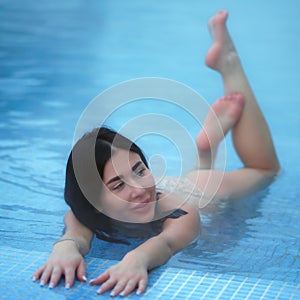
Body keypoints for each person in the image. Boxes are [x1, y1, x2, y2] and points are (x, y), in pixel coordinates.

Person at [32, 10, 280, 297]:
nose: (139, 188)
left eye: (139, 170)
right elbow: (74, 235)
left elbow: (167, 243)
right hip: (183, 184)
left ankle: (230, 64)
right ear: (93, 201)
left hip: (197, 192)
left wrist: (136, 259)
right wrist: (64, 249)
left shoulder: (181, 210)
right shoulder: (83, 212)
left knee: (266, 170)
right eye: (118, 185)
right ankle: (205, 148)